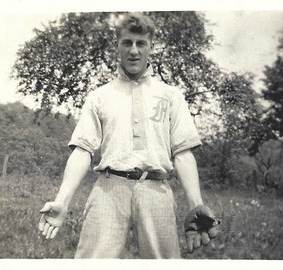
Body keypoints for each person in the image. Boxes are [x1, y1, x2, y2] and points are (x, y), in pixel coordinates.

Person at [38, 12, 219, 259]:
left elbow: (183, 154)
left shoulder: (171, 96)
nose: (134, 51)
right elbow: (82, 151)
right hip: (108, 191)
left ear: (151, 47)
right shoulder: (99, 96)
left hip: (157, 192)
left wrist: (196, 204)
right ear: (118, 47)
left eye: (140, 43)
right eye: (127, 43)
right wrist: (62, 201)